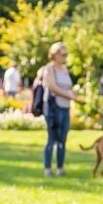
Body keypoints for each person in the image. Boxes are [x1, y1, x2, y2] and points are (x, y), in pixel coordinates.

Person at [42, 42, 80, 177]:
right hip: (53, 108)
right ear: (54, 54)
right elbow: (51, 86)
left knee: (63, 139)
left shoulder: (64, 69)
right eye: (62, 54)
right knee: (52, 138)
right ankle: (47, 168)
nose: (65, 57)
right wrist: (69, 95)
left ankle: (60, 168)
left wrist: (74, 97)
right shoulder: (49, 69)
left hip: (65, 107)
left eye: (66, 54)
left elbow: (68, 87)